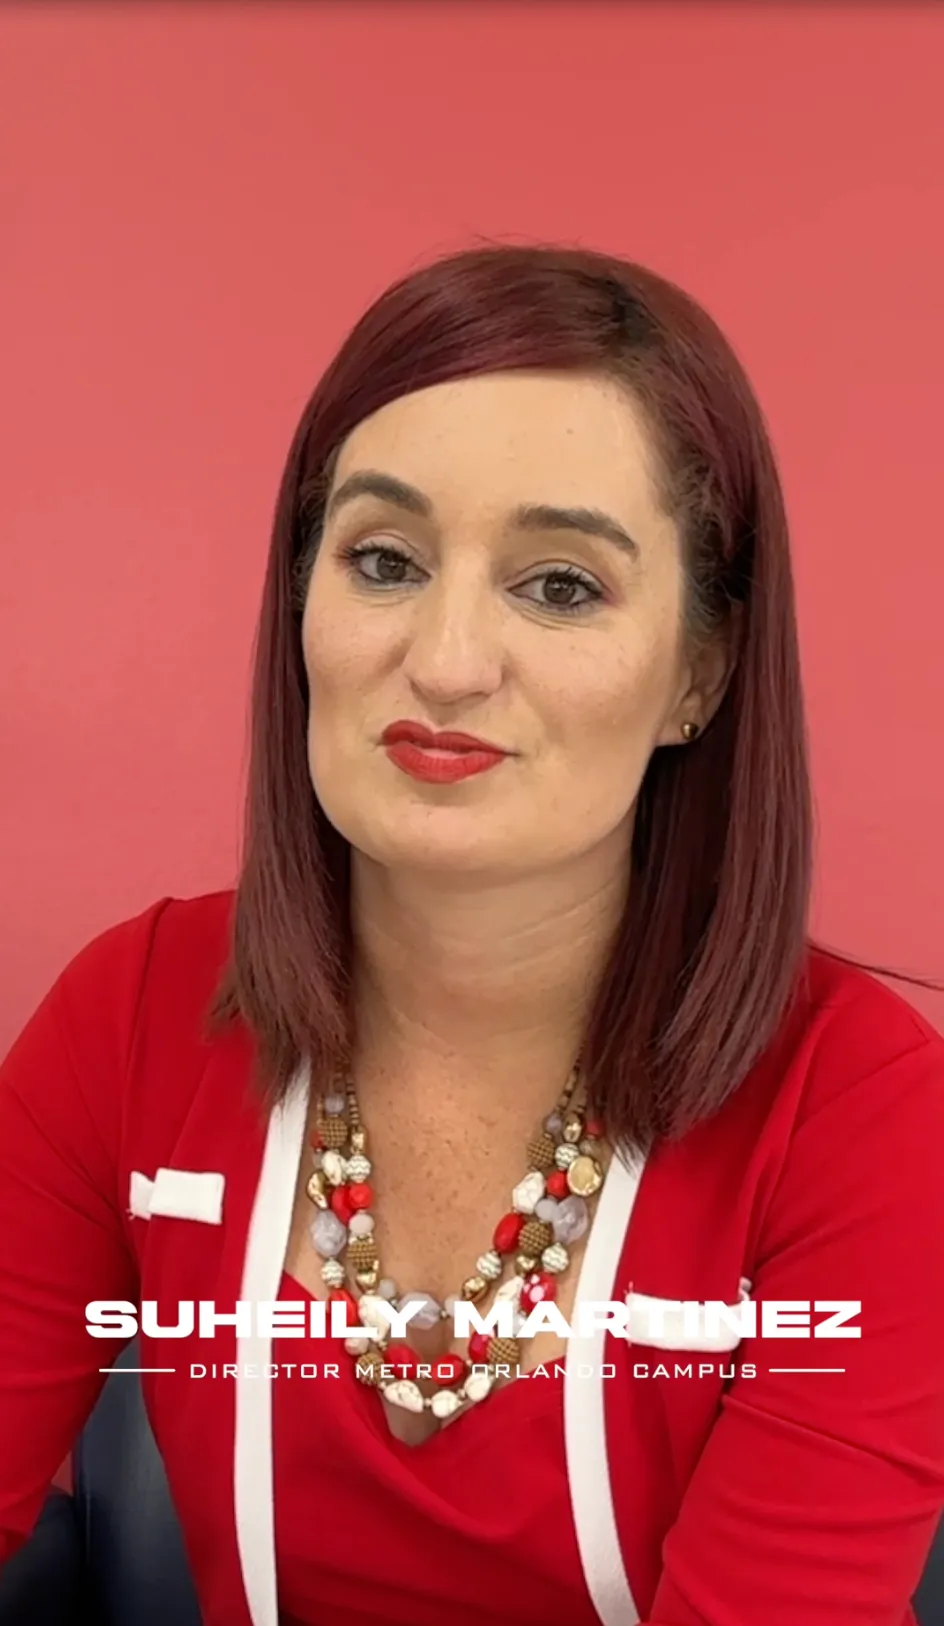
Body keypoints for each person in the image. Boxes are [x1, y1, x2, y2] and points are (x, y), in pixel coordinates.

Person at [1, 243, 942, 1626]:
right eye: (382, 558)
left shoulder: (863, 1109)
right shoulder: (134, 1013)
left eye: (559, 585)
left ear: (700, 670)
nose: (443, 659)